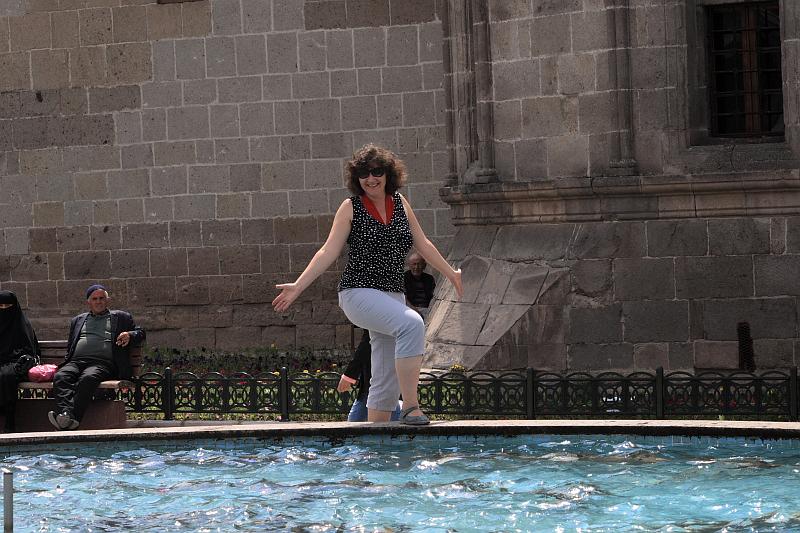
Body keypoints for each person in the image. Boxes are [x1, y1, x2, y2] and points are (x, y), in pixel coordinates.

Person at [273, 143, 463, 425]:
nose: (370, 178)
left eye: (376, 172)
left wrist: (451, 274)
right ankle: (411, 407)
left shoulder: (400, 203)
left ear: (388, 174)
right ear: (356, 178)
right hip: (358, 293)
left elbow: (422, 243)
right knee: (412, 324)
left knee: (385, 381)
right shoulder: (351, 207)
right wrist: (298, 286)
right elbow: (327, 251)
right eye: (363, 173)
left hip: (392, 296)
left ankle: (376, 442)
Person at [48, 284, 145, 431]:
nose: (98, 301)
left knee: (88, 378)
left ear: (107, 300)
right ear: (89, 302)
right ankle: (67, 414)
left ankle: (70, 418)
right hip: (76, 362)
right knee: (61, 376)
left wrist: (130, 335)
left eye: (101, 298)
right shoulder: (78, 320)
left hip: (102, 364)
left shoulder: (121, 317)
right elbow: (72, 344)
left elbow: (141, 333)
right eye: (95, 299)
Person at [337, 328, 401, 421]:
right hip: (373, 381)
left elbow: (365, 345)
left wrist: (349, 376)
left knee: (355, 421)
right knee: (355, 420)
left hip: (380, 379)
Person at [0, 291, 40, 432]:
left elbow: (28, 350)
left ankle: (9, 421)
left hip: (17, 362)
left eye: (7, 305)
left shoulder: (22, 324)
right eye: (1, 306)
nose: (4, 309)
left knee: (7, 375)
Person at [404, 252, 436, 320]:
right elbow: (403, 299)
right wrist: (416, 311)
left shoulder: (429, 278)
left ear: (424, 266)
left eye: (419, 264)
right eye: (414, 264)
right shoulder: (404, 278)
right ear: (409, 265)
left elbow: (433, 296)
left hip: (427, 309)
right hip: (410, 309)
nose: (416, 267)